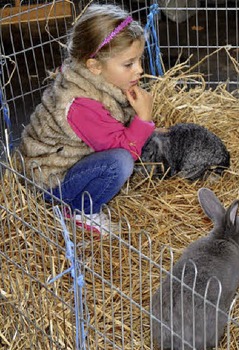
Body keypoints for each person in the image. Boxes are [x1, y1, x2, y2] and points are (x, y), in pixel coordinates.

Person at [18, 4, 155, 236]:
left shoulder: (95, 79)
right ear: (94, 66)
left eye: (139, 60)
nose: (139, 70)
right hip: (51, 183)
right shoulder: (81, 104)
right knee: (120, 163)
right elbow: (126, 149)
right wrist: (144, 118)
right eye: (129, 64)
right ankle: (80, 211)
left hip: (68, 164)